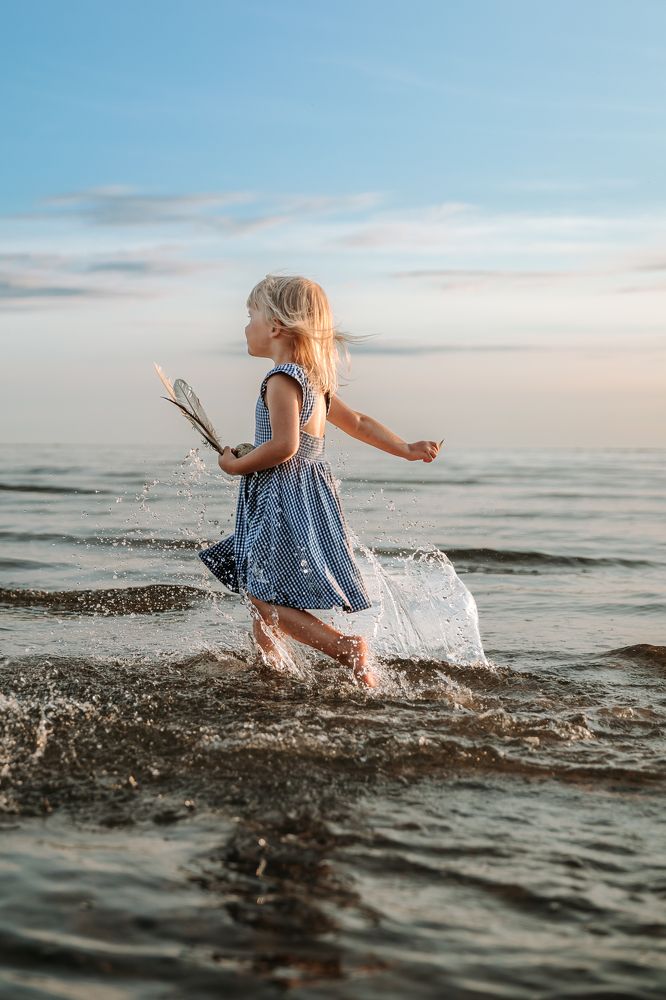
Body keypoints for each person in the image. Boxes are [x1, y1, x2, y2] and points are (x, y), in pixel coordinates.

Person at [198, 274, 442, 687]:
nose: (245, 326)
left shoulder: (280, 380)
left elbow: (284, 447)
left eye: (250, 316)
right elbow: (360, 424)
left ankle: (346, 649)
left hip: (281, 498)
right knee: (263, 597)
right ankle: (274, 673)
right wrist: (405, 448)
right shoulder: (313, 380)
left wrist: (235, 465)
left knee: (262, 596)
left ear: (275, 326)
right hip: (305, 497)